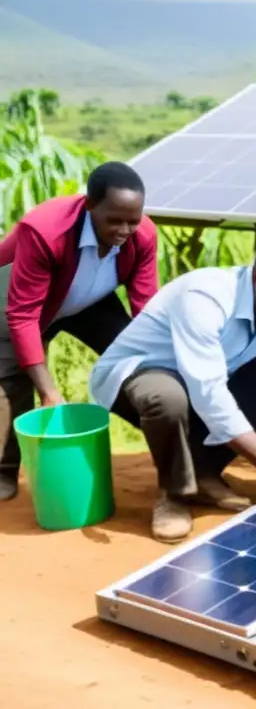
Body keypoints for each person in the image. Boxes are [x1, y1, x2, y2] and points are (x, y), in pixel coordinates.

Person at [88, 233, 256, 543]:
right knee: (167, 398)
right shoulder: (205, 297)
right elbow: (209, 394)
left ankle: (202, 475)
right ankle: (173, 495)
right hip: (137, 372)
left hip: (203, 377)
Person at [0, 162, 158, 501]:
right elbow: (22, 315)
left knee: (135, 363)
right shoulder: (45, 231)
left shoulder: (142, 235)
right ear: (89, 205)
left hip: (91, 301)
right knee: (8, 378)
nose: (124, 229)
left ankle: (167, 442)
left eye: (132, 220)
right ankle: (4, 471)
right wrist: (49, 390)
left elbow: (145, 308)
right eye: (114, 220)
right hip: (21, 297)